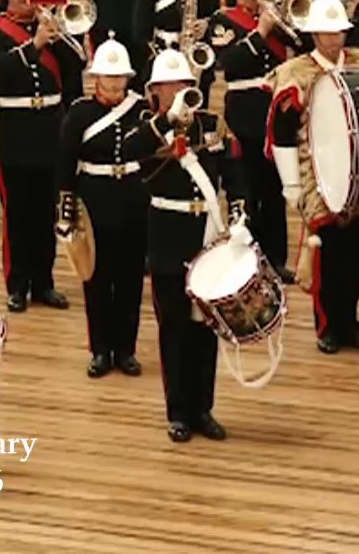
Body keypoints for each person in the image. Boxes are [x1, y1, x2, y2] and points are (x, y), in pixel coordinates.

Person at [140, 48, 246, 443]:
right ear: (154, 92)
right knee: (173, 328)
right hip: (167, 234)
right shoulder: (147, 127)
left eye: (183, 84)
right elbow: (135, 154)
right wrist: (167, 121)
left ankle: (204, 408)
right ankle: (178, 411)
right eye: (168, 87)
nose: (177, 91)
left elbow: (234, 176)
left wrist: (238, 216)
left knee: (206, 327)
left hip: (207, 232)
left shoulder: (214, 125)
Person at [267, 0, 359, 354]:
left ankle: (350, 321)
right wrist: (290, 183)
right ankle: (328, 325)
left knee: (356, 251)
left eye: (339, 33)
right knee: (327, 256)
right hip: (318, 174)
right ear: (314, 35)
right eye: (326, 34)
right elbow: (282, 132)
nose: (334, 40)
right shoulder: (296, 74)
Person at [0, 0, 83, 312]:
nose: (27, 0)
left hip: (51, 127)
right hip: (15, 131)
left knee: (46, 211)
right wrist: (36, 43)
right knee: (17, 214)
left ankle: (44, 282)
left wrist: (61, 35)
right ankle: (17, 283)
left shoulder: (54, 28)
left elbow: (75, 70)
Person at [56, 34, 154, 378]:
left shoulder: (142, 110)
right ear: (95, 78)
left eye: (119, 78)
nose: (113, 83)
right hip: (94, 200)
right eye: (107, 77)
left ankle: (125, 349)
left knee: (130, 279)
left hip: (132, 197)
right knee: (95, 278)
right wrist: (65, 209)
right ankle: (100, 349)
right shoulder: (80, 113)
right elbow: (66, 162)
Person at [211, 0, 300, 283]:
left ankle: (275, 257)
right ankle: (246, 257)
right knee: (247, 187)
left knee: (273, 188)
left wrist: (281, 20)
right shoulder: (225, 20)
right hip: (244, 107)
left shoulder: (277, 16)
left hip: (273, 108)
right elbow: (229, 62)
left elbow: (301, 46)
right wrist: (260, 32)